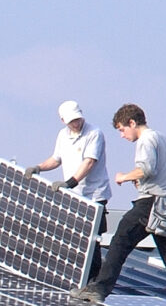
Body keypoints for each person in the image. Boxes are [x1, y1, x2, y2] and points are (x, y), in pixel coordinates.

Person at [80, 104, 166, 306]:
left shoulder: (145, 140)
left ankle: (99, 288)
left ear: (132, 123)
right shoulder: (161, 138)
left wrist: (124, 177)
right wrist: (143, 181)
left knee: (121, 240)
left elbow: (146, 168)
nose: (122, 135)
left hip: (152, 203)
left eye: (122, 130)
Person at [26, 100, 112, 289]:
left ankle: (93, 281)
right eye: (72, 121)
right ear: (63, 120)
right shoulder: (62, 135)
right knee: (75, 238)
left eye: (77, 119)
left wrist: (70, 182)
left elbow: (89, 162)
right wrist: (39, 167)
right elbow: (56, 159)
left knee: (91, 240)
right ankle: (77, 279)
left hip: (93, 196)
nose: (76, 123)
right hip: (75, 196)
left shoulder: (94, 133)